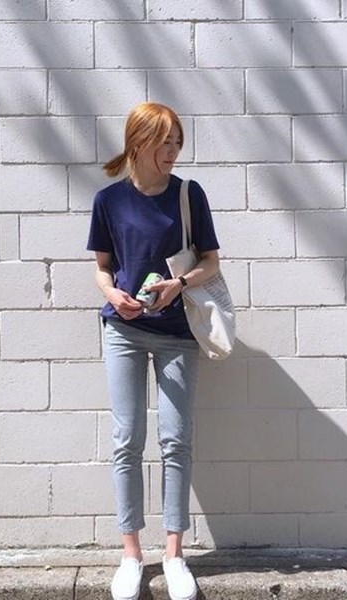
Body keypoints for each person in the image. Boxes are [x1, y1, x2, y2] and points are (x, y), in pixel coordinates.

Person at [86, 102, 221, 600]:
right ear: (139, 142)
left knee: (175, 440)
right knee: (127, 439)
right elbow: (102, 268)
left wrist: (178, 284)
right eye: (165, 142)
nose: (173, 151)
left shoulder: (188, 194)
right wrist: (112, 294)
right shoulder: (109, 200)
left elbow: (211, 262)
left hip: (178, 332)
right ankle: (131, 556)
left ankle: (174, 554)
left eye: (177, 142)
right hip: (123, 330)